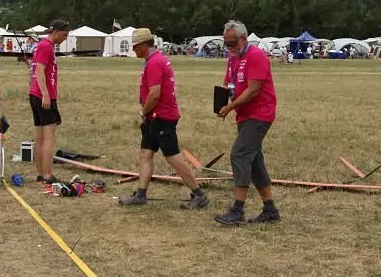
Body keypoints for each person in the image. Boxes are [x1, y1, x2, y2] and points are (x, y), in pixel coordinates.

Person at [118, 28, 209, 209]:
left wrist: (143, 112)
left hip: (161, 116)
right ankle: (141, 195)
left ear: (144, 45)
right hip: (153, 117)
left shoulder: (154, 62)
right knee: (146, 154)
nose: (133, 50)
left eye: (135, 47)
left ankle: (199, 194)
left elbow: (155, 94)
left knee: (172, 156)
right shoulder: (154, 60)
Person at [215, 20, 281, 225]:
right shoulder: (233, 58)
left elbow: (253, 90)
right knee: (254, 161)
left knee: (240, 154)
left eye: (233, 43)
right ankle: (270, 210)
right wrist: (222, 100)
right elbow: (229, 83)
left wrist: (230, 106)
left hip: (260, 114)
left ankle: (238, 210)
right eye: (226, 43)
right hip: (244, 115)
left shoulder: (257, 57)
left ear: (244, 38)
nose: (230, 47)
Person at [30, 20, 70, 184]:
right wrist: (46, 95)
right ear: (56, 32)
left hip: (36, 94)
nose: (65, 38)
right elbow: (40, 70)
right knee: (49, 138)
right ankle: (47, 174)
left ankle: (41, 174)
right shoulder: (46, 46)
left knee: (40, 137)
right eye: (64, 35)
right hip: (43, 96)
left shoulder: (43, 46)